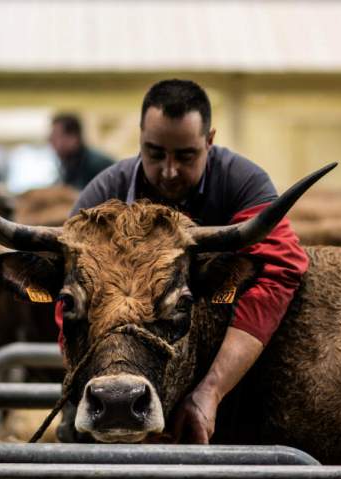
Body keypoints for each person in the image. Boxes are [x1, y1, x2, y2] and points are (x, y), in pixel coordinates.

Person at [60, 79, 309, 444]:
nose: (169, 171)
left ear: (210, 140)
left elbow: (278, 272)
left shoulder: (243, 182)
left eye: (186, 155)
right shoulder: (102, 193)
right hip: (121, 370)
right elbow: (70, 295)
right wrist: (83, 380)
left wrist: (212, 389)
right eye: (155, 153)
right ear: (140, 137)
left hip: (225, 367)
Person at [48, 113, 115, 191]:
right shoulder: (69, 162)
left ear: (73, 138)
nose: (50, 140)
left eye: (56, 135)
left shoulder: (96, 165)